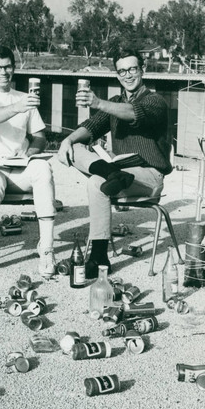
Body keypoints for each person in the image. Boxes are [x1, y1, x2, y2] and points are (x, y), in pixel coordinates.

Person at [58, 47, 172, 278]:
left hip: (148, 175)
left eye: (132, 69)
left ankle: (98, 256)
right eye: (122, 71)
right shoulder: (114, 101)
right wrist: (67, 140)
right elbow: (91, 127)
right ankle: (111, 172)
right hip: (120, 174)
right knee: (76, 147)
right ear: (117, 75)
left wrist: (98, 102)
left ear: (143, 69)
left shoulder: (156, 101)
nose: (128, 75)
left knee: (94, 184)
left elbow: (134, 113)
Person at [0, 45, 57, 280]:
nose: (2, 72)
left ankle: (46, 249)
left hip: (18, 167)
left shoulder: (25, 98)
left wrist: (31, 153)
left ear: (13, 68)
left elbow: (39, 136)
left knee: (43, 168)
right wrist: (16, 108)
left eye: (7, 66)